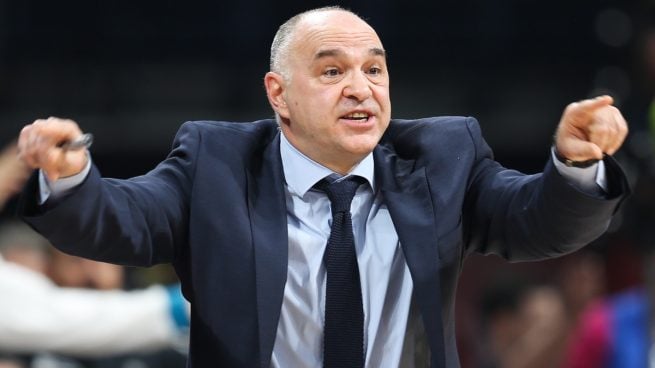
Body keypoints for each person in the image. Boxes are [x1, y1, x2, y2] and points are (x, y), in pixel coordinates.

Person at [15, 6, 630, 368]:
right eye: (332, 71)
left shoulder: (443, 155)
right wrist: (72, 179)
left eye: (375, 69)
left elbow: (536, 222)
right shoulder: (216, 162)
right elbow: (126, 219)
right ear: (278, 94)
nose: (361, 88)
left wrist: (574, 167)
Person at [0, 220, 189, 361]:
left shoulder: (172, 347)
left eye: (100, 256)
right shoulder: (29, 347)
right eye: (76, 260)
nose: (91, 271)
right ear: (51, 269)